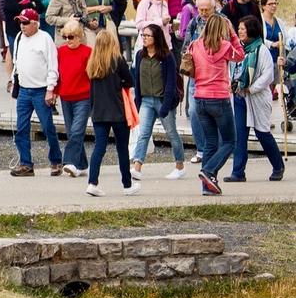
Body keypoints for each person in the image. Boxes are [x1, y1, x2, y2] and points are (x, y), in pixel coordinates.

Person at [183, 14, 243, 195]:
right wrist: (233, 34)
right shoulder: (224, 46)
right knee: (230, 141)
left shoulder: (195, 45)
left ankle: (207, 186)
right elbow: (240, 55)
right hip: (218, 99)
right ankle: (209, 171)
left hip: (199, 98)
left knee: (210, 143)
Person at [228, 15, 285, 183]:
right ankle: (238, 172)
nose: (239, 32)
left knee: (262, 132)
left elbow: (267, 76)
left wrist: (250, 89)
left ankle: (278, 166)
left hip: (257, 98)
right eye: (238, 29)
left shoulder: (262, 50)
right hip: (239, 97)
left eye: (242, 29)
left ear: (252, 30)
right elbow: (234, 69)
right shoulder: (239, 50)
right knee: (239, 135)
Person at [6, 7, 62, 177]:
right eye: (20, 22)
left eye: (26, 22)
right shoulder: (18, 38)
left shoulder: (45, 39)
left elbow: (53, 66)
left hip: (40, 90)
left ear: (35, 24)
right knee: (21, 128)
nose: (22, 26)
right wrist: (12, 80)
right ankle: (25, 163)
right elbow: (17, 61)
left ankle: (56, 160)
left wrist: (50, 89)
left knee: (47, 127)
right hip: (23, 89)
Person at [129, 22, 185, 181]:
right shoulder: (140, 55)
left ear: (156, 38)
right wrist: (137, 101)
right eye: (143, 35)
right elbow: (137, 80)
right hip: (146, 100)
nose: (144, 38)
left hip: (163, 100)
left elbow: (170, 83)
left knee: (171, 133)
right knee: (144, 134)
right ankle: (137, 166)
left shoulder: (167, 57)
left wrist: (166, 105)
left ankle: (180, 165)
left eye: (147, 36)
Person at [83, 28, 134, 197]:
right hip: (117, 111)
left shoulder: (92, 62)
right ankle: (127, 185)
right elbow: (129, 81)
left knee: (99, 147)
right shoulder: (117, 60)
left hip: (98, 111)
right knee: (122, 149)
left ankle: (92, 182)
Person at [54, 18, 92, 177]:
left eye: (71, 37)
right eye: (65, 37)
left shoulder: (88, 51)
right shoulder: (60, 52)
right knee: (71, 132)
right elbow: (57, 74)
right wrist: (54, 92)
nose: (68, 40)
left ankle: (69, 162)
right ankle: (82, 165)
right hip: (66, 96)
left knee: (77, 130)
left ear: (79, 36)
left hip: (84, 96)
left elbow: (92, 75)